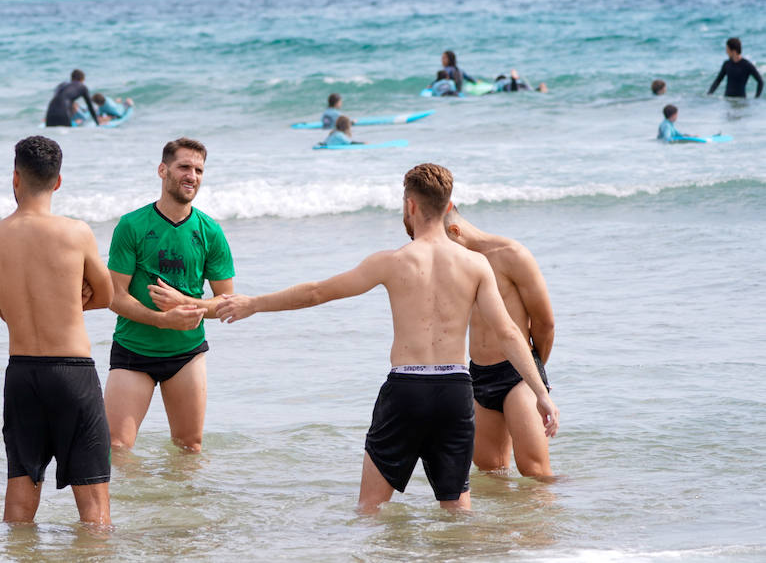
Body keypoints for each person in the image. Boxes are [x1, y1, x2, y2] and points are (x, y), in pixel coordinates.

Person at [215, 163, 558, 513]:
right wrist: (541, 394)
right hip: (456, 391)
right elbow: (509, 333)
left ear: (410, 205)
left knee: (370, 508)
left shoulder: (393, 262)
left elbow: (318, 292)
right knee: (456, 511)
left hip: (407, 390)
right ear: (448, 204)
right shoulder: (476, 265)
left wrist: (254, 303)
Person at [0, 135, 114, 525]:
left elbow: (5, 312)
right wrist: (69, 296)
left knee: (20, 496)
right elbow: (106, 295)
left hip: (21, 374)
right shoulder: (76, 233)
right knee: (94, 506)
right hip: (72, 373)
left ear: (15, 178)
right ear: (57, 182)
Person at [105, 138, 235, 454]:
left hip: (186, 354)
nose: (192, 176)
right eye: (184, 167)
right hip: (134, 351)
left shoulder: (210, 231)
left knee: (190, 448)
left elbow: (227, 302)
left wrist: (187, 305)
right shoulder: (131, 225)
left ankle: (179, 506)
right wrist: (163, 319)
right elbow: (114, 296)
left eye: (199, 170)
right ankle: (137, 504)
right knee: (116, 448)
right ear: (163, 170)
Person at [442, 206, 555, 476]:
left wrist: (532, 373)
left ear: (454, 231)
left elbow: (545, 322)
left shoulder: (511, 255)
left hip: (518, 374)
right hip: (478, 375)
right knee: (490, 471)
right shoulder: (454, 263)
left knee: (535, 472)